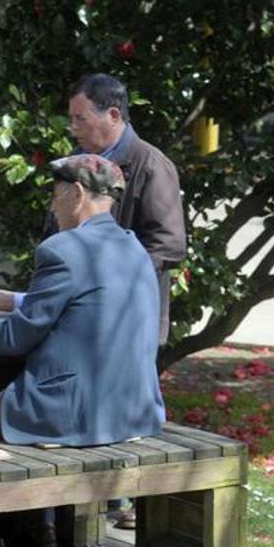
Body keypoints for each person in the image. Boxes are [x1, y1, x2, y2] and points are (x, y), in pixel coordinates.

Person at [0, 154, 166, 547]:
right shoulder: (133, 247)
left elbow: (18, 338)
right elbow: (85, 302)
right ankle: (36, 529)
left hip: (74, 413)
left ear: (78, 193)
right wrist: (9, 299)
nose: (53, 205)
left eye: (56, 195)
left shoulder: (63, 250)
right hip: (133, 410)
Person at [62, 73, 186, 344]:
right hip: (78, 314)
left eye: (80, 118)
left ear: (114, 115)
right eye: (71, 119)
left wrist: (108, 281)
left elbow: (169, 245)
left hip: (128, 320)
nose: (73, 127)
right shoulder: (77, 162)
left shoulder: (150, 164)